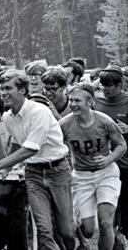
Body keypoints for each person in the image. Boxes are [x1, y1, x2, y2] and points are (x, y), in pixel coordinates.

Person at [0, 69, 75, 250]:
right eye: (1, 89)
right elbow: (16, 143)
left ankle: (75, 245)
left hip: (58, 171)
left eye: (8, 88)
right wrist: (6, 168)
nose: (3, 93)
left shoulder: (40, 112)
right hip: (33, 174)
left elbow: (30, 148)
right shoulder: (8, 117)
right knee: (44, 228)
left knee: (66, 231)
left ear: (22, 90)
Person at [59, 83, 126, 250]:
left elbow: (122, 145)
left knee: (105, 222)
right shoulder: (65, 124)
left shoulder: (104, 121)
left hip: (106, 173)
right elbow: (57, 148)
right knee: (88, 230)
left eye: (77, 101)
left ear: (89, 102)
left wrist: (109, 159)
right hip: (81, 176)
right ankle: (84, 242)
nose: (73, 104)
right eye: (71, 100)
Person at [93, 65, 128, 245]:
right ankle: (113, 239)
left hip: (125, 161)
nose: (104, 90)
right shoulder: (96, 100)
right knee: (107, 205)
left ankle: (122, 234)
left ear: (120, 85)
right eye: (102, 86)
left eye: (109, 86)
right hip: (103, 162)